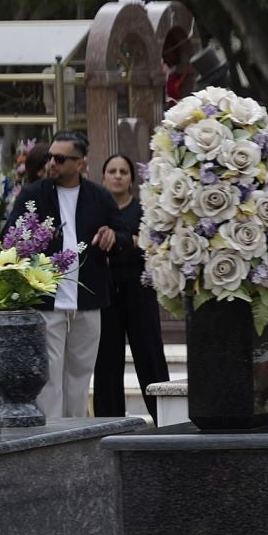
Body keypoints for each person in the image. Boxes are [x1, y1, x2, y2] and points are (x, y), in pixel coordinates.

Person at [2, 134, 119, 418]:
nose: (51, 163)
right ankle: (53, 440)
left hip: (88, 299)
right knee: (49, 378)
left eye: (60, 158)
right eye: (50, 157)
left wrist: (114, 235)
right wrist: (33, 240)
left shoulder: (99, 196)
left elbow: (123, 233)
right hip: (46, 300)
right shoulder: (33, 194)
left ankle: (76, 436)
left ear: (80, 163)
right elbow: (8, 237)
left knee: (80, 377)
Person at [91, 153, 170, 419]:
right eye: (112, 171)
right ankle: (108, 421)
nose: (117, 176)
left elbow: (152, 246)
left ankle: (165, 418)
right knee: (106, 360)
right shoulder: (97, 210)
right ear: (102, 177)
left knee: (149, 355)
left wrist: (130, 245)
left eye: (123, 171)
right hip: (106, 292)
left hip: (139, 291)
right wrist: (131, 242)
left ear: (131, 179)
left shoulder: (143, 210)